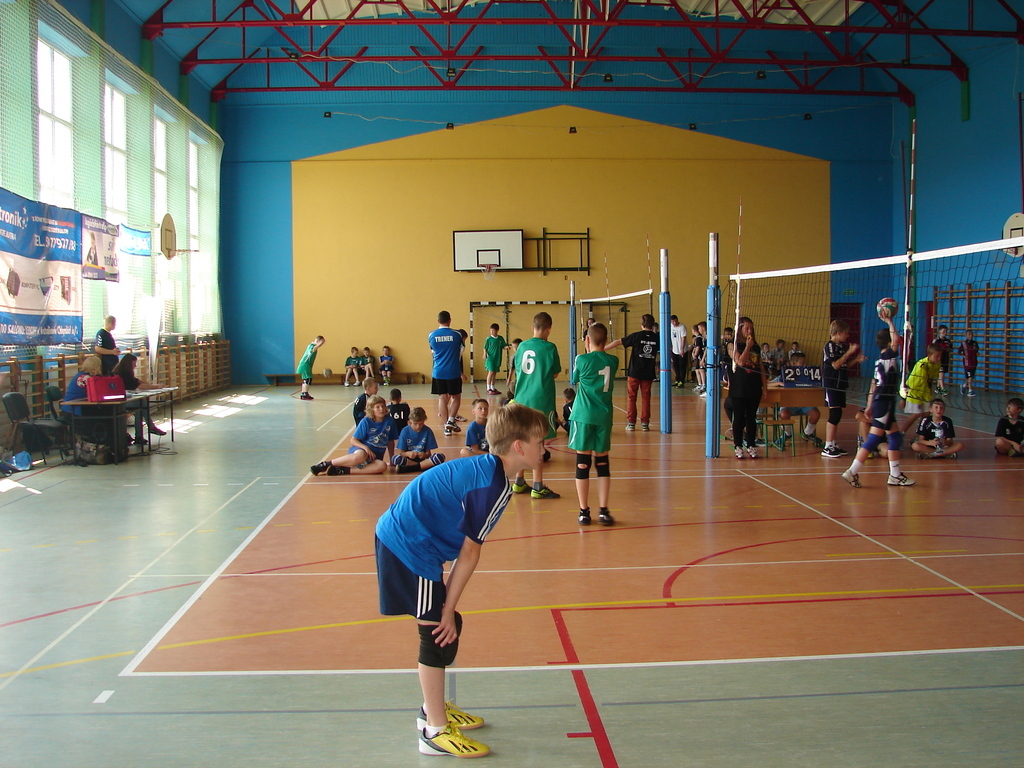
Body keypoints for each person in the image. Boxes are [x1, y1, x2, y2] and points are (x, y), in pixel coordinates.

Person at [374, 403, 548, 759]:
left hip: (414, 539)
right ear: (519, 446)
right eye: (540, 442)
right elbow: (469, 554)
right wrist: (446, 609)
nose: (544, 448)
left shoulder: (490, 473)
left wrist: (449, 608)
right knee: (437, 632)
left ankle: (432, 708)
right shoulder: (492, 486)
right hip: (409, 546)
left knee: (446, 626)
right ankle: (434, 730)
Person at [842, 312, 915, 487]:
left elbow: (873, 385)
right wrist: (890, 321)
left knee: (895, 437)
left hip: (882, 402)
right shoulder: (889, 356)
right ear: (889, 343)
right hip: (884, 403)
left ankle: (895, 475)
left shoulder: (881, 360)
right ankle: (852, 471)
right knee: (874, 439)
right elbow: (896, 341)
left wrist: (869, 406)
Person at [569, 322, 618, 526]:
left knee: (582, 463)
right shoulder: (613, 360)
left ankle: (584, 511)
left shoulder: (582, 359)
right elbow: (601, 358)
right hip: (603, 417)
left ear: (587, 340)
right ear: (606, 340)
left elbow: (574, 379)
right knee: (602, 464)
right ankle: (604, 510)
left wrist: (587, 350)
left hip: (583, 416)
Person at [511, 311, 561, 499]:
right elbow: (555, 373)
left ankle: (519, 481)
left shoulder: (522, 347)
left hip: (521, 400)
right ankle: (538, 486)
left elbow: (518, 369)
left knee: (522, 440)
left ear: (532, 328)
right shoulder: (550, 347)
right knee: (539, 444)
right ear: (549, 329)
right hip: (541, 401)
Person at [310, 395, 397, 475]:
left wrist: (391, 459)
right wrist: (366, 448)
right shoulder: (366, 421)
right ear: (371, 410)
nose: (381, 409)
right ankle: (326, 464)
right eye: (377, 407)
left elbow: (390, 441)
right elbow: (353, 440)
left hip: (375, 456)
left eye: (383, 406)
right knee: (361, 456)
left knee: (382, 466)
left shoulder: (389, 421)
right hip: (361, 451)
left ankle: (343, 470)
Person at [605, 313, 658, 431]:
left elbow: (618, 342)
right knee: (646, 398)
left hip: (635, 372)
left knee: (632, 397)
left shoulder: (637, 336)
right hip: (648, 372)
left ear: (642, 324)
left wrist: (603, 348)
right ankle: (645, 423)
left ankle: (631, 423)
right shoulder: (657, 337)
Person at [821, 318, 865, 458]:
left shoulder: (840, 347)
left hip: (840, 384)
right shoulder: (829, 346)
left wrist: (856, 360)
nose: (848, 335)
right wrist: (849, 352)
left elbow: (844, 366)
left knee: (838, 413)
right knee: (834, 414)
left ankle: (833, 443)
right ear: (839, 333)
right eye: (846, 333)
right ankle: (827, 446)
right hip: (832, 384)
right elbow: (835, 365)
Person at [727, 316, 767, 459]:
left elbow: (761, 367)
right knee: (739, 417)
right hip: (739, 388)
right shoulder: (732, 345)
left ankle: (751, 445)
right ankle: (738, 446)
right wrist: (748, 347)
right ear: (740, 329)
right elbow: (740, 362)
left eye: (751, 328)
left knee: (751, 418)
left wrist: (765, 387)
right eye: (746, 328)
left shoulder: (756, 346)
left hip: (754, 387)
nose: (749, 331)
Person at [110, 353, 168, 444]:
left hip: (123, 399)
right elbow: (138, 385)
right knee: (142, 404)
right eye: (134, 364)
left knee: (140, 408)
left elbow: (136, 381)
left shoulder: (123, 372)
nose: (135, 366)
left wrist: (151, 385)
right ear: (128, 364)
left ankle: (140, 436)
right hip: (120, 402)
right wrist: (155, 387)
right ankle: (150, 427)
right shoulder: (123, 374)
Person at [768, 352, 822, 446]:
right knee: (784, 414)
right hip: (789, 404)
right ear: (793, 363)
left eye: (804, 363)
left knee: (816, 414)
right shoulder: (785, 375)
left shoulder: (807, 375)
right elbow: (767, 384)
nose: (804, 365)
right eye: (801, 363)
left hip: (804, 403)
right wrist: (779, 383)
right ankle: (787, 434)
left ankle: (807, 433)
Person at [429, 311, 466, 437]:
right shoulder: (457, 335)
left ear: (438, 321)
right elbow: (460, 352)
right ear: (450, 320)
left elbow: (433, 352)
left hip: (438, 371)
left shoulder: (431, 335)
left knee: (442, 398)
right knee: (456, 397)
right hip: (453, 371)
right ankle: (451, 420)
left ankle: (446, 426)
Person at [900, 342, 942, 435]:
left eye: (940, 356)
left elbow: (932, 378)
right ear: (929, 355)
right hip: (915, 392)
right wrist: (903, 398)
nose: (939, 358)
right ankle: (902, 432)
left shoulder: (936, 364)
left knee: (926, 414)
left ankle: (919, 434)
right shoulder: (921, 366)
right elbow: (911, 382)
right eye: (936, 356)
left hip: (925, 393)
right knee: (916, 414)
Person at [392, 407, 446, 473]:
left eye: (421, 424)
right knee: (395, 458)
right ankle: (421, 467)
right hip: (409, 460)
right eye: (415, 424)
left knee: (440, 457)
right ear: (410, 422)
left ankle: (410, 468)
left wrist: (424, 455)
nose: (418, 426)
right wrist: (408, 454)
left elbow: (428, 454)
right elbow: (402, 453)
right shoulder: (405, 431)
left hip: (423, 459)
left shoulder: (427, 431)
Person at [296, 335, 325, 400]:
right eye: (321, 342)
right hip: (305, 364)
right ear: (317, 341)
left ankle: (304, 393)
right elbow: (313, 349)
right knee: (308, 379)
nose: (322, 344)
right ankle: (305, 394)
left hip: (306, 365)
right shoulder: (311, 346)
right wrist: (319, 344)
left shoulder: (311, 346)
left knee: (306, 379)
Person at [483, 324, 508, 396]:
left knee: (494, 373)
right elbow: (485, 347)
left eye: (493, 330)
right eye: (490, 330)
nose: (491, 332)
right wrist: (485, 354)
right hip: (490, 358)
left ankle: (492, 387)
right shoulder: (488, 339)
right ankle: (488, 388)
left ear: (497, 330)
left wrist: (506, 347)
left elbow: (503, 346)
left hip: (497, 358)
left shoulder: (500, 338)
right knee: (491, 372)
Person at [932, 325, 953, 395]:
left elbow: (951, 349)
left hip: (945, 359)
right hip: (939, 360)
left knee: (942, 374)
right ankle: (943, 389)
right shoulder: (936, 341)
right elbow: (932, 349)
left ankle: (938, 388)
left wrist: (948, 349)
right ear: (939, 332)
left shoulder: (948, 341)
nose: (945, 333)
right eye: (943, 331)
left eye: (946, 331)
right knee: (941, 374)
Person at [958, 330, 980, 396]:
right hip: (967, 363)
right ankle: (970, 390)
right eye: (969, 334)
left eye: (972, 334)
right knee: (970, 376)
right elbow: (959, 352)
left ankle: (964, 385)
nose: (971, 336)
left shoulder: (975, 343)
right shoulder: (964, 343)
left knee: (971, 377)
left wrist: (977, 353)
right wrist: (964, 356)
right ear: (966, 335)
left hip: (974, 362)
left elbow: (976, 351)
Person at [669, 315, 688, 388]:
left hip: (682, 350)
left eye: (675, 321)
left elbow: (683, 338)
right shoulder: (671, 326)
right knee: (675, 365)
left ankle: (681, 381)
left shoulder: (682, 327)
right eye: (672, 321)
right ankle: (677, 379)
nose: (674, 323)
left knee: (682, 366)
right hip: (674, 349)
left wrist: (682, 349)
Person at [691, 322, 707, 395]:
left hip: (703, 356)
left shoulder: (703, 337)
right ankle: (702, 385)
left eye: (699, 328)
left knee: (703, 370)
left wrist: (702, 358)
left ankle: (704, 385)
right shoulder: (703, 337)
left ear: (703, 328)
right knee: (699, 370)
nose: (699, 330)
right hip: (702, 356)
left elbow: (705, 348)